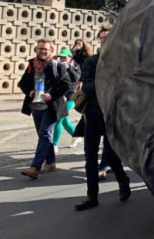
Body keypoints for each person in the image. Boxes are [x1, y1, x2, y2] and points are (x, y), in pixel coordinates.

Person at [75, 25, 132, 211]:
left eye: (108, 37)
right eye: (102, 38)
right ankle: (92, 197)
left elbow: (126, 88)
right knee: (90, 158)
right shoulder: (91, 62)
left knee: (113, 158)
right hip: (92, 116)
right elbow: (87, 87)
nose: (105, 40)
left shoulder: (122, 62)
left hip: (113, 117)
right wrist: (108, 83)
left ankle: (123, 182)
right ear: (99, 41)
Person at [18, 39, 72, 179]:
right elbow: (22, 83)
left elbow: (67, 85)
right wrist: (29, 91)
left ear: (51, 51)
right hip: (36, 106)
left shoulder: (57, 66)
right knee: (43, 135)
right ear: (36, 49)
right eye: (40, 48)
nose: (43, 51)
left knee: (44, 134)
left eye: (46, 49)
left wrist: (51, 95)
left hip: (51, 106)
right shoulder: (31, 65)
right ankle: (51, 162)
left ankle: (35, 167)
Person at [52, 48, 80, 151]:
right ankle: (76, 135)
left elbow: (76, 79)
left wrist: (69, 68)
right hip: (60, 96)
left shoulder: (75, 67)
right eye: (61, 58)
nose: (62, 59)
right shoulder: (58, 67)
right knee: (64, 121)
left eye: (65, 57)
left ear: (70, 58)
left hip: (70, 97)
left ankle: (54, 144)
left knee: (59, 119)